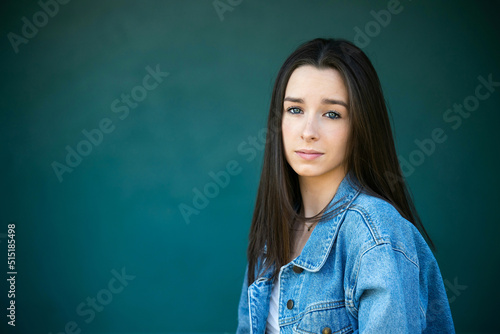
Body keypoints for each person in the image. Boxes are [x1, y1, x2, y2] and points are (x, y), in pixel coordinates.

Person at [236, 38, 455, 333]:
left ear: (360, 126)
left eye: (332, 114)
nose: (308, 132)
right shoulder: (272, 233)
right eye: (295, 110)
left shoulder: (375, 235)